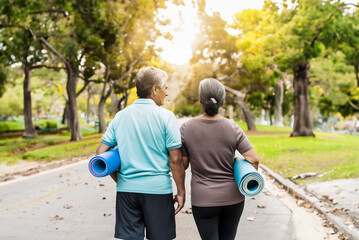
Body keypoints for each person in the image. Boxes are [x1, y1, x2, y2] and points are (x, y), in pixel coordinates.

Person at [95, 67, 185, 240]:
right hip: (157, 191)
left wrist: (120, 179)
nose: (166, 93)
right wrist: (181, 192)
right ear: (154, 89)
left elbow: (100, 154)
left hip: (126, 192)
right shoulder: (166, 117)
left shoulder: (120, 116)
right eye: (165, 88)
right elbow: (175, 160)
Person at [180, 78, 259, 240]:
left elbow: (184, 165)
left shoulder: (186, 128)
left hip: (203, 200)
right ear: (222, 101)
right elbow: (253, 160)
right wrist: (239, 168)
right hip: (233, 199)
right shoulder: (233, 127)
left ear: (200, 100)